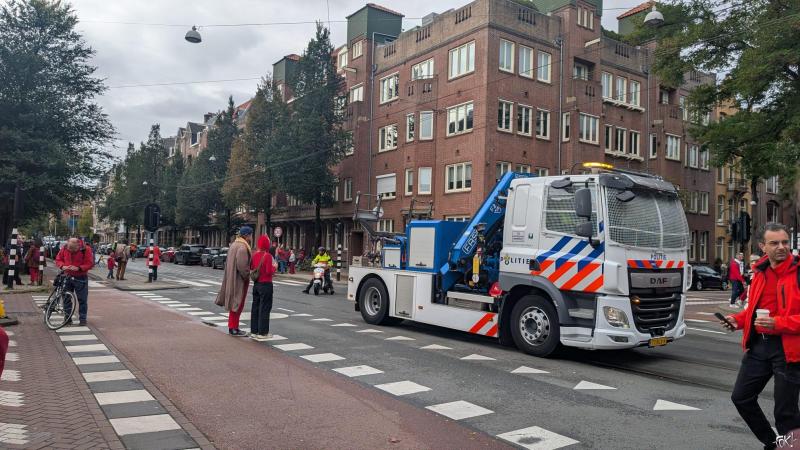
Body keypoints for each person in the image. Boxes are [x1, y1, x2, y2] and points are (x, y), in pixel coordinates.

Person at [723, 223, 800, 449]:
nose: (781, 247)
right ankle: (774, 443)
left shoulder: (797, 273)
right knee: (741, 397)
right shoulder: (759, 272)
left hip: (788, 350)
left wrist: (778, 323)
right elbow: (754, 311)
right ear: (762, 246)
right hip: (759, 347)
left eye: (785, 242)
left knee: (785, 414)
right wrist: (736, 320)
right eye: (774, 243)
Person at [215, 227, 253, 337]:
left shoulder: (234, 245)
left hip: (232, 277)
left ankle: (233, 327)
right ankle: (234, 328)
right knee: (238, 303)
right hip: (239, 280)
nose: (251, 237)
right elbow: (242, 266)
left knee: (234, 302)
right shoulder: (242, 247)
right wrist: (247, 275)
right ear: (246, 235)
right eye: (250, 235)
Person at [55, 237, 94, 326]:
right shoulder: (64, 248)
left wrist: (79, 268)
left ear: (78, 245)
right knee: (66, 298)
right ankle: (68, 318)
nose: (71, 251)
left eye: (73, 250)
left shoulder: (86, 249)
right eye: (69, 249)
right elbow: (58, 259)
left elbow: (90, 263)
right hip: (67, 276)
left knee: (82, 299)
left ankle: (83, 319)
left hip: (81, 277)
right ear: (67, 244)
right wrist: (62, 266)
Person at [250, 234, 277, 341]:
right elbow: (269, 271)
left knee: (255, 307)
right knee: (265, 308)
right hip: (266, 284)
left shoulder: (254, 255)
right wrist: (275, 267)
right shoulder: (268, 256)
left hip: (256, 284)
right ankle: (263, 332)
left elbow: (251, 267)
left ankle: (254, 331)